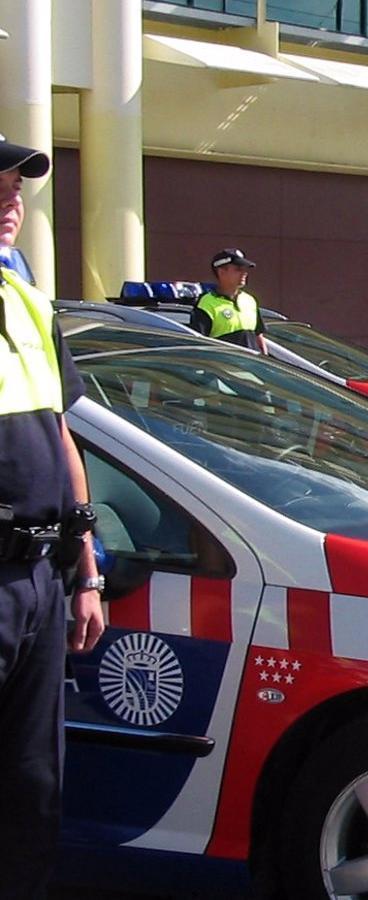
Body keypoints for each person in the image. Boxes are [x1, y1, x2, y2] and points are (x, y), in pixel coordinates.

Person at [0, 136, 105, 900]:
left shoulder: (27, 297)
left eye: (15, 187)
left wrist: (88, 569)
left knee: (31, 786)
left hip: (38, 578)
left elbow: (62, 435)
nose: (12, 202)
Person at [191, 248, 269, 354]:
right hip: (224, 368)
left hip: (251, 367)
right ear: (222, 272)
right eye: (238, 269)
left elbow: (258, 337)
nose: (244, 273)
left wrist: (265, 358)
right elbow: (199, 345)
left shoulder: (250, 301)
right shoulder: (206, 303)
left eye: (245, 269)